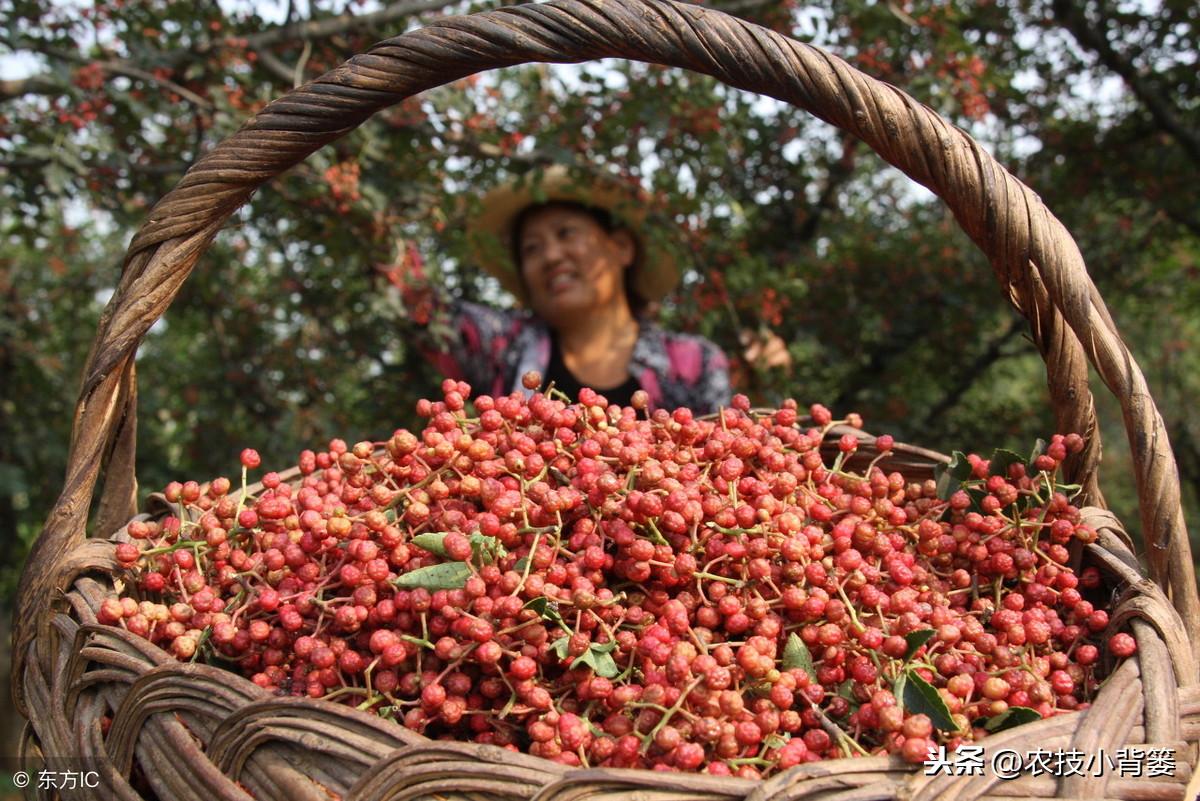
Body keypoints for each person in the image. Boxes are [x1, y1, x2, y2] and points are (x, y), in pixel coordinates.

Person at [389, 164, 734, 414]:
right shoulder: (504, 346)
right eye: (532, 249)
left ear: (622, 247)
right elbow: (423, 307)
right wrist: (379, 227)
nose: (551, 256)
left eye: (566, 233)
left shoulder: (694, 363)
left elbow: (726, 468)